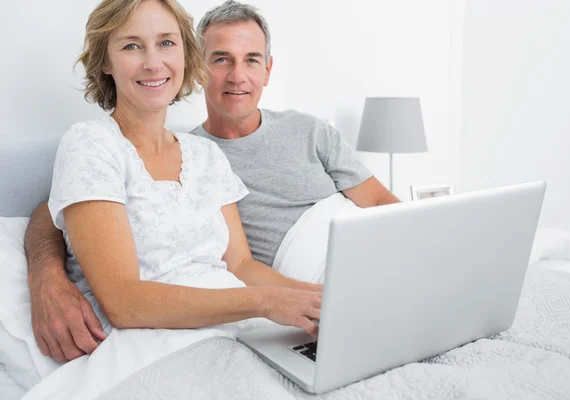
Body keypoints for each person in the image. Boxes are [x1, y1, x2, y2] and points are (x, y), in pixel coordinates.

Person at [25, 0, 398, 363]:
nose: (153, 62)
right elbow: (118, 295)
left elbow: (241, 265)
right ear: (105, 60)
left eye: (167, 43)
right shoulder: (92, 143)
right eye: (132, 45)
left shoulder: (204, 156)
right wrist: (267, 303)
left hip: (241, 324)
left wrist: (324, 298)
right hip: (165, 338)